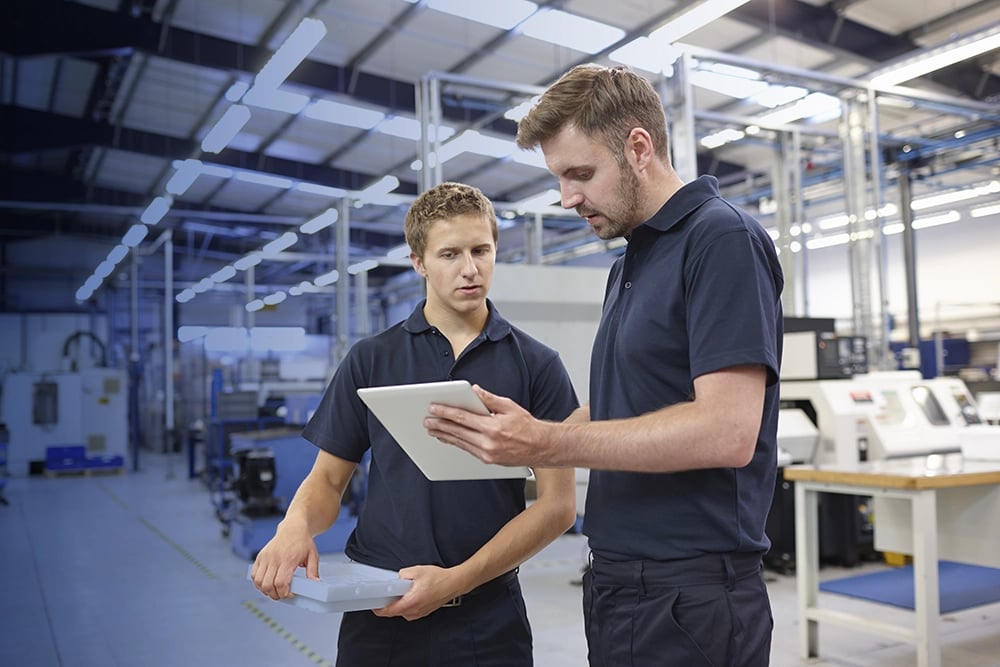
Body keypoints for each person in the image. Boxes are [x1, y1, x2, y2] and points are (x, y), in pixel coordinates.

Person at [425, 64, 784, 667]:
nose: (567, 198)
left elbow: (727, 431)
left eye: (580, 174)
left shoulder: (721, 240)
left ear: (638, 147)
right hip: (621, 582)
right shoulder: (630, 262)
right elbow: (634, 405)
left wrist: (548, 441)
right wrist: (540, 436)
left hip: (690, 595)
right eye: (559, 178)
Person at [250, 181, 578, 666]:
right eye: (449, 254)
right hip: (378, 617)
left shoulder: (537, 365)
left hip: (488, 622)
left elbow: (559, 507)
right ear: (418, 262)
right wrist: (294, 526)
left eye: (481, 250)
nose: (470, 269)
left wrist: (457, 579)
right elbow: (327, 479)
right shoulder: (371, 360)